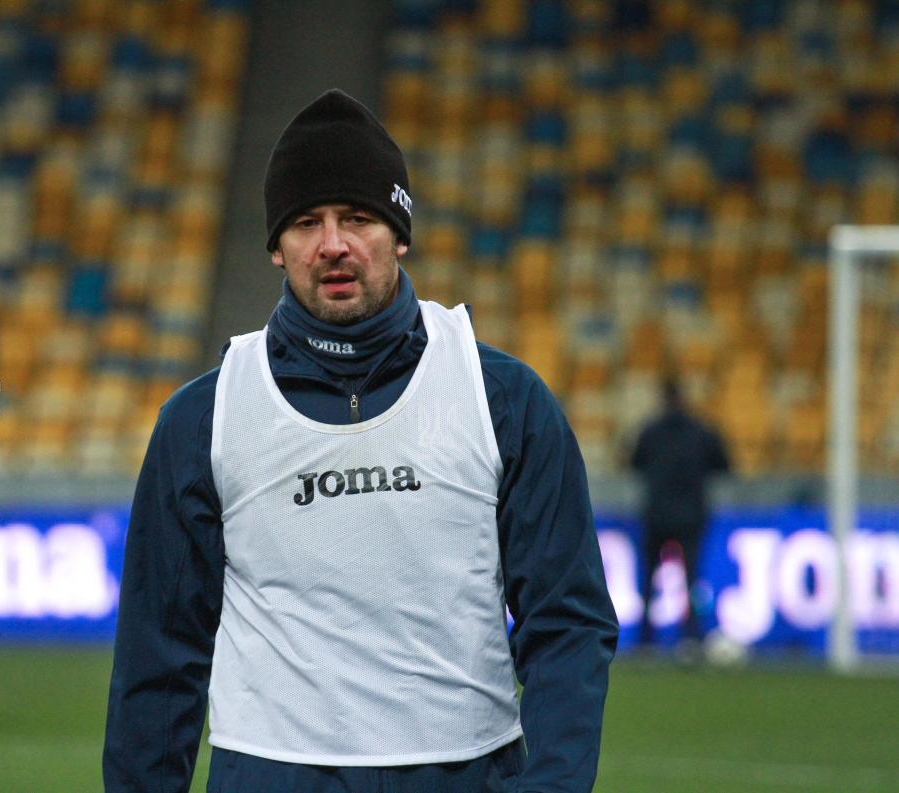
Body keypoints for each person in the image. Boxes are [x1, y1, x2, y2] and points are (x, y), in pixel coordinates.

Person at [104, 90, 618, 793]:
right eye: (305, 222)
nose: (333, 244)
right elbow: (158, 654)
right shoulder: (203, 418)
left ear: (399, 232)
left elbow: (566, 622)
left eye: (358, 217)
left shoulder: (502, 398)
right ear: (276, 248)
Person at [630, 378, 731, 652]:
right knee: (692, 578)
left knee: (650, 578)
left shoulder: (650, 432)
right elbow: (724, 465)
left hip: (657, 515)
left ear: (664, 399)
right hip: (691, 516)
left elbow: (634, 463)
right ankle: (692, 635)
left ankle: (646, 638)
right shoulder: (701, 432)